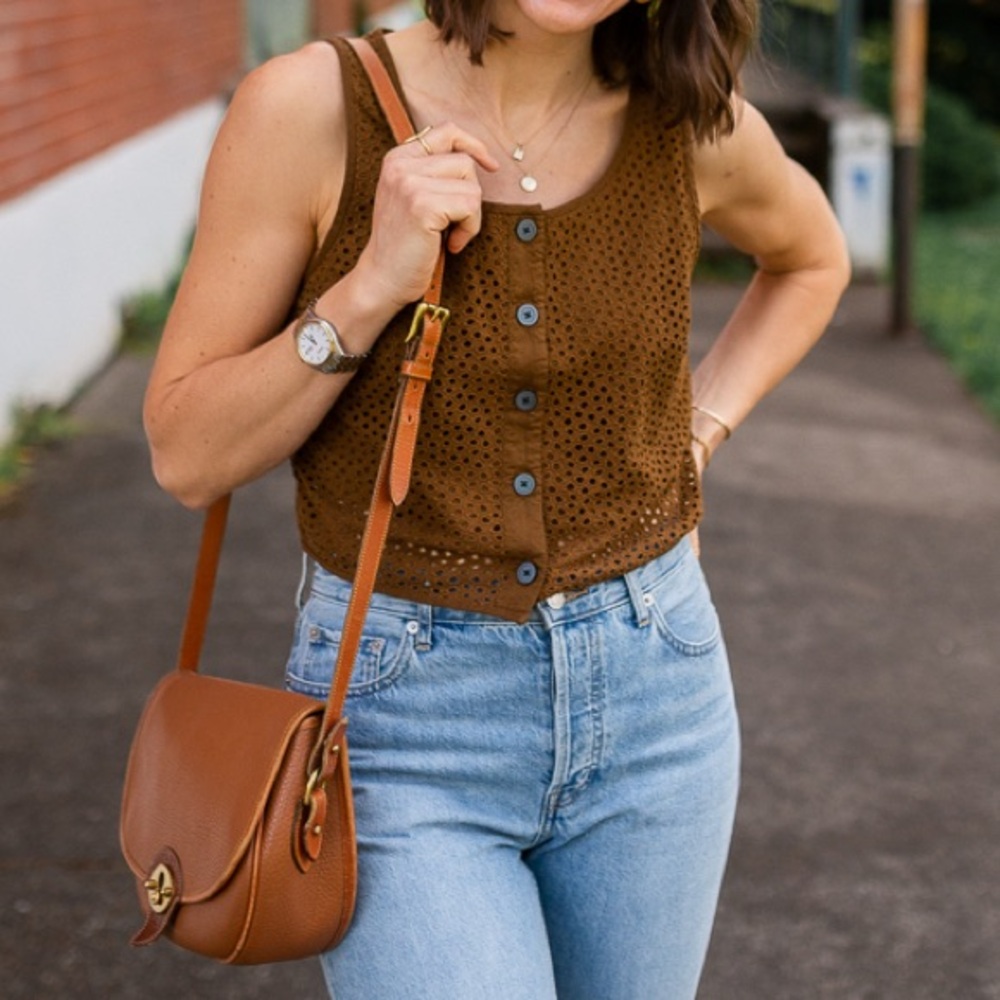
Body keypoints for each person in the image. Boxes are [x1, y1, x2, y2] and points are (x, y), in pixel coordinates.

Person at [143, 1, 850, 996]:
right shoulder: (308, 109)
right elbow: (185, 452)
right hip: (402, 724)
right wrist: (368, 286)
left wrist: (696, 439)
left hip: (660, 699)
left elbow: (811, 260)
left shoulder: (690, 117)